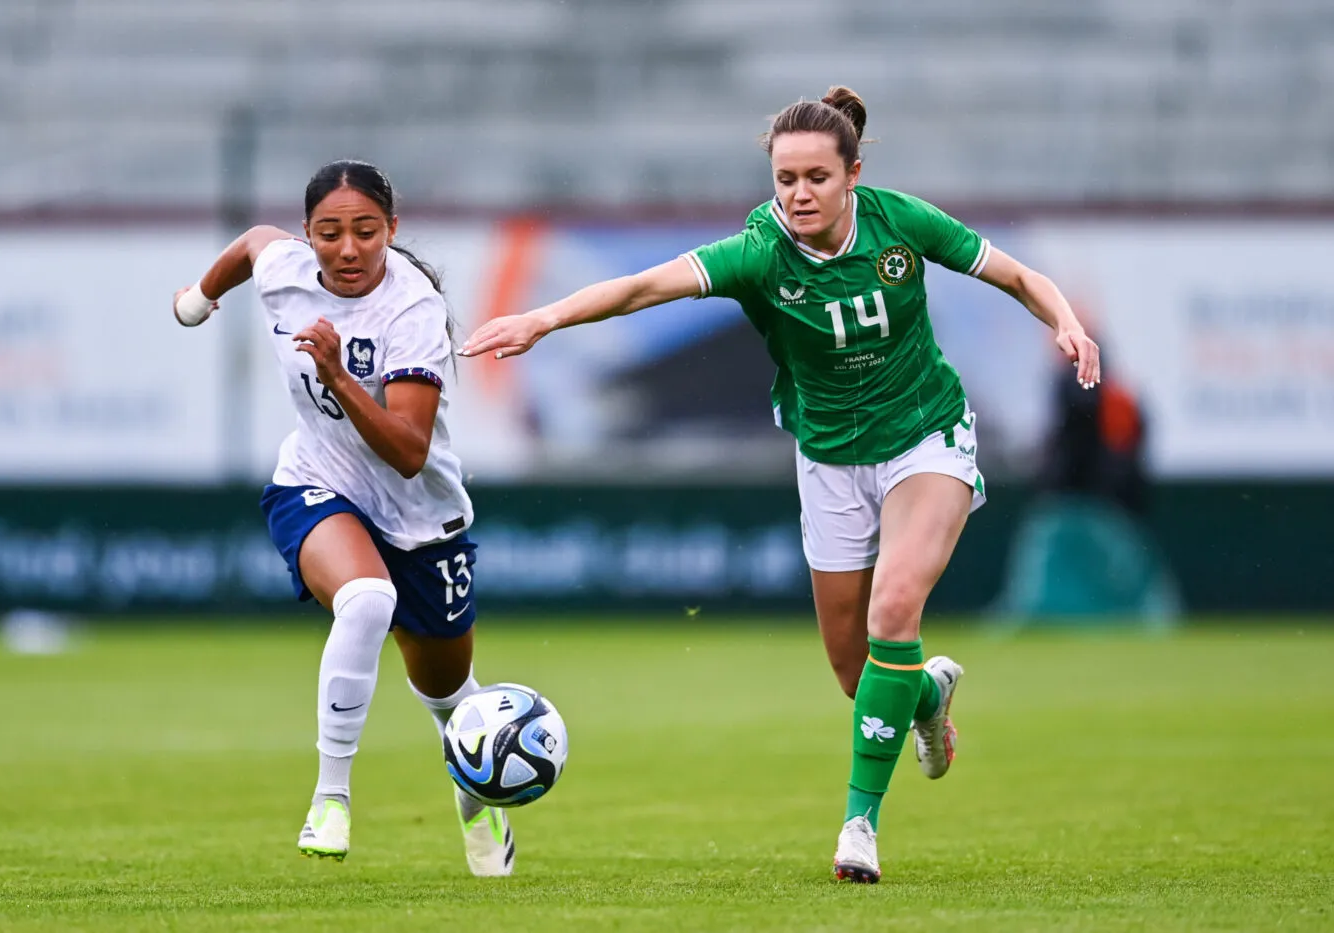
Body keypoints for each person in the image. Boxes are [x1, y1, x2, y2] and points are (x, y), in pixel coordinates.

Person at [461, 87, 1100, 884]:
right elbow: (637, 289)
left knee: (894, 609)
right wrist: (541, 320)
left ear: (852, 176)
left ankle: (859, 826)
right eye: (784, 178)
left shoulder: (902, 224)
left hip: (925, 437)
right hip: (829, 458)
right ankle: (927, 693)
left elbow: (1016, 274)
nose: (798, 193)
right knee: (851, 667)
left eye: (815, 178)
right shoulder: (759, 252)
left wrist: (1065, 321)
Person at [172, 160, 515, 876]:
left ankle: (479, 801)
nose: (348, 248)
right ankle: (331, 798)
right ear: (309, 235)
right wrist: (199, 297)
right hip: (316, 482)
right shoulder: (287, 270)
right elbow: (250, 244)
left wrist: (335, 375)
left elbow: (410, 451)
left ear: (392, 229)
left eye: (365, 231)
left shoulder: (412, 309)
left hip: (421, 518)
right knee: (365, 601)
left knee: (450, 698)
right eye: (330, 232)